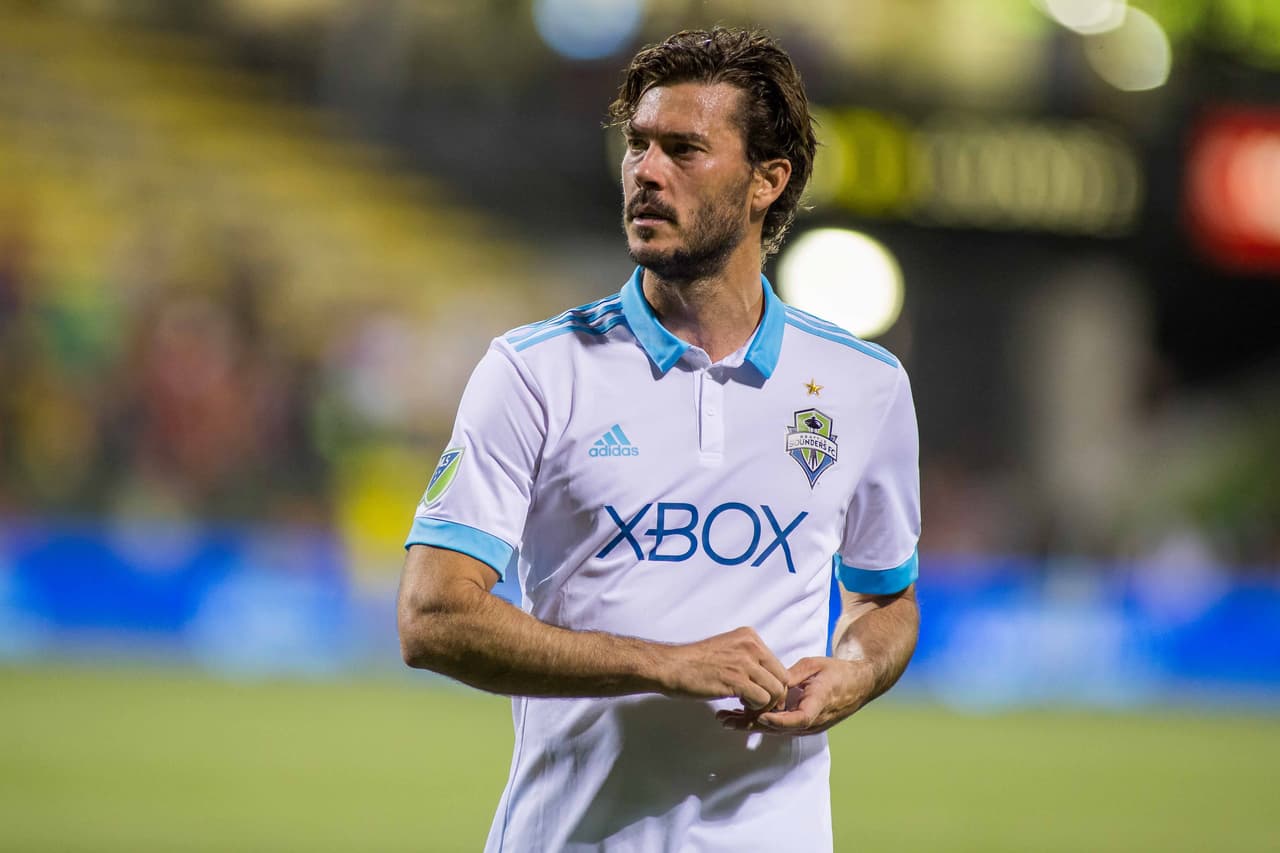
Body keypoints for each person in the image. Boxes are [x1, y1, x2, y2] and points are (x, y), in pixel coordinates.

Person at [398, 27, 920, 852]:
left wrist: (854, 669)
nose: (646, 171)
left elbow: (886, 599)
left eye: (684, 149)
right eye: (638, 145)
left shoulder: (866, 385)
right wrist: (664, 662)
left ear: (766, 181)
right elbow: (431, 616)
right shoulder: (535, 370)